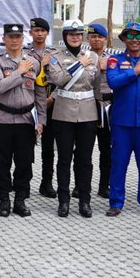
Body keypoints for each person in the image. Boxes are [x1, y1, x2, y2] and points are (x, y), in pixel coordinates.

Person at [104, 22, 140, 218]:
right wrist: (136, 70)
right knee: (119, 164)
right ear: (123, 39)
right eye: (130, 36)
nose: (135, 40)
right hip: (122, 123)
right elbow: (113, 82)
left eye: (139, 36)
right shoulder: (115, 60)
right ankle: (116, 202)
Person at [44, 20, 100, 218]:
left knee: (85, 159)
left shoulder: (93, 56)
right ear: (65, 36)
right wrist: (79, 65)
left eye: (78, 34)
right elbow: (58, 79)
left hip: (87, 112)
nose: (75, 37)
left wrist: (100, 113)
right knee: (64, 159)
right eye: (71, 34)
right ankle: (64, 200)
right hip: (64, 112)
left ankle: (85, 200)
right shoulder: (55, 57)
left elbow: (96, 86)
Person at [0, 22, 43, 217]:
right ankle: (4, 199)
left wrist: (41, 120)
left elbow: (39, 93)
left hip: (26, 120)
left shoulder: (33, 62)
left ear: (22, 38)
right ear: (4, 38)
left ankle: (20, 199)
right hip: (3, 119)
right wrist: (19, 72)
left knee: (24, 162)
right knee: (1, 162)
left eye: (18, 37)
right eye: (10, 37)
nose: (14, 40)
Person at [28, 18, 58, 198]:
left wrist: (52, 97)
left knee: (48, 146)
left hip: (51, 101)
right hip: (29, 103)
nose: (39, 34)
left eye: (42, 31)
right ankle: (23, 180)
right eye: (36, 30)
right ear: (30, 32)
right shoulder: (24, 53)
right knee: (25, 145)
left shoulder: (55, 53)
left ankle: (47, 182)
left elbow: (63, 79)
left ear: (47, 33)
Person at [86, 23, 114, 197]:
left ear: (105, 39)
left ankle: (104, 185)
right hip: (88, 105)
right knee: (84, 149)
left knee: (107, 149)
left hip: (107, 106)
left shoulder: (113, 59)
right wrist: (97, 67)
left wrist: (108, 66)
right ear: (88, 38)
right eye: (93, 36)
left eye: (100, 37)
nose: (96, 39)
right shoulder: (82, 57)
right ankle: (82, 186)